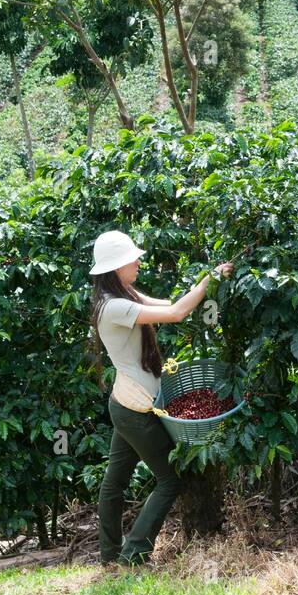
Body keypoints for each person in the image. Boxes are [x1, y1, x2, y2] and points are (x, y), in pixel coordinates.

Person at [88, 229, 234, 568]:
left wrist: (203, 284)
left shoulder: (121, 294)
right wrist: (208, 280)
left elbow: (170, 306)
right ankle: (132, 555)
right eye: (132, 259)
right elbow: (176, 315)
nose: (138, 262)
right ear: (115, 267)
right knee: (171, 479)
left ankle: (110, 557)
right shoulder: (114, 307)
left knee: (114, 485)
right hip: (134, 409)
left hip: (125, 405)